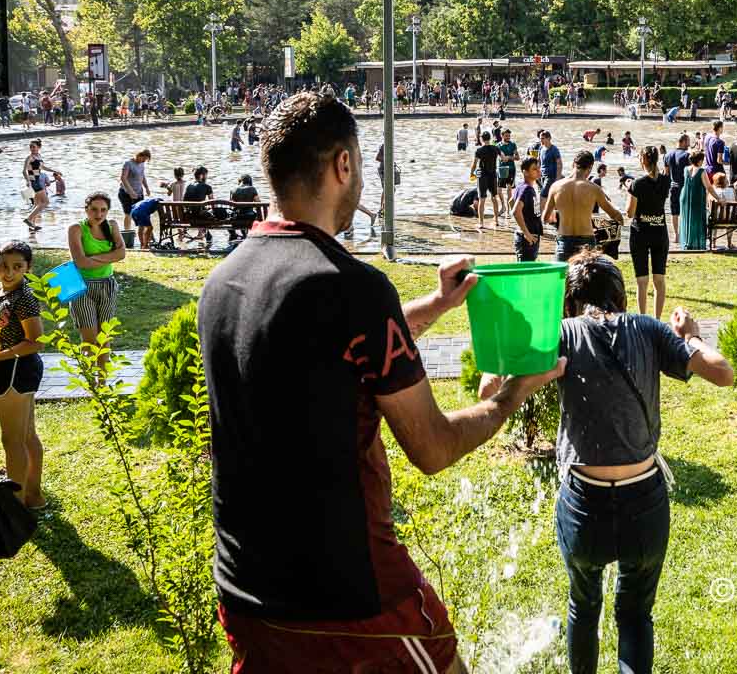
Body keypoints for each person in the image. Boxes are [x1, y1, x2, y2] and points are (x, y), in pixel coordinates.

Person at [198, 92, 563, 673]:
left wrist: (437, 306)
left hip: (247, 593)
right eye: (362, 163)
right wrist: (510, 395)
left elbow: (329, 350)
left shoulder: (224, 282)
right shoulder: (354, 288)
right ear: (343, 165)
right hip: (353, 601)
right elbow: (433, 446)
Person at [476, 250, 732, 674]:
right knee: (634, 616)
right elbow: (723, 372)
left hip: (584, 507)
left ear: (569, 302)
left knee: (583, 606)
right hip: (645, 504)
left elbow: (488, 390)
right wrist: (693, 335)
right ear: (621, 298)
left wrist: (521, 332)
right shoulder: (649, 329)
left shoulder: (559, 333)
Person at [0, 241, 46, 509]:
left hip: (17, 370)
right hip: (5, 368)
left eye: (17, 267)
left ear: (28, 268)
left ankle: (15, 503)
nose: (9, 272)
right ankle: (33, 496)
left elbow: (35, 342)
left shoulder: (24, 297)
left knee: (12, 439)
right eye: (3, 266)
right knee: (26, 434)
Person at [67, 193, 127, 372]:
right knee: (90, 340)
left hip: (107, 285)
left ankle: (102, 383)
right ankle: (89, 384)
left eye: (103, 210)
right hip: (81, 286)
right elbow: (80, 262)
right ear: (86, 209)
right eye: (94, 209)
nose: (98, 214)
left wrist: (92, 258)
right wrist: (109, 258)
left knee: (105, 338)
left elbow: (122, 254)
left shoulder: (113, 225)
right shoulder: (76, 229)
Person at [542, 151, 624, 262]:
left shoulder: (556, 187)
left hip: (564, 239)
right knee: (587, 277)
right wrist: (621, 220)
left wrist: (559, 214)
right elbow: (613, 214)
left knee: (562, 277)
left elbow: (545, 218)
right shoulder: (594, 188)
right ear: (590, 167)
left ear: (573, 164)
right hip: (587, 241)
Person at [626, 147, 671, 319]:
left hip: (640, 234)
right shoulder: (666, 180)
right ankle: (657, 320)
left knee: (642, 281)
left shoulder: (637, 184)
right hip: (660, 232)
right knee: (659, 279)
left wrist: (627, 191)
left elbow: (630, 213)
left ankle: (643, 318)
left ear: (643, 160)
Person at [679, 150, 714, 250]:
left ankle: (687, 243)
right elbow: (709, 187)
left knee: (687, 219)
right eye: (702, 160)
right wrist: (718, 198)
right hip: (697, 197)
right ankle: (697, 244)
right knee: (697, 220)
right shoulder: (702, 171)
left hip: (685, 197)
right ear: (699, 161)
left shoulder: (686, 169)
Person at [512, 158, 543, 262]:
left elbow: (510, 202)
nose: (538, 171)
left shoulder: (521, 186)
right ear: (525, 172)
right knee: (525, 273)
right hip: (527, 240)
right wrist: (526, 233)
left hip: (525, 237)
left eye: (538, 168)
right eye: (534, 169)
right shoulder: (526, 189)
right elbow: (516, 211)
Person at [663, 134, 691, 245]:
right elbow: (691, 173)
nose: (689, 144)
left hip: (673, 187)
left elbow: (666, 173)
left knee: (674, 212)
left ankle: (676, 235)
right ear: (683, 142)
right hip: (684, 187)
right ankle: (685, 234)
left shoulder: (667, 155)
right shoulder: (687, 155)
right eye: (688, 142)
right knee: (685, 211)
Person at [472, 135, 502, 230]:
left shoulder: (479, 150)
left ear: (481, 139)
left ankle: (481, 223)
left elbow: (474, 164)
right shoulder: (496, 148)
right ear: (490, 138)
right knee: (494, 198)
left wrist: (471, 173)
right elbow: (503, 158)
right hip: (493, 175)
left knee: (482, 199)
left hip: (482, 176)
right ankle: (496, 221)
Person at [118, 149, 152, 232]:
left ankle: (144, 234)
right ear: (139, 155)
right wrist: (131, 192)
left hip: (139, 193)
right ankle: (127, 233)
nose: (144, 161)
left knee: (142, 213)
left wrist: (147, 187)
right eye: (143, 159)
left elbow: (142, 176)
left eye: (145, 160)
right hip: (125, 193)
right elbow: (123, 178)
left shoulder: (142, 164)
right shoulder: (128, 163)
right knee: (128, 213)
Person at [229, 174, 261, 241]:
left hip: (236, 218)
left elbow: (231, 206)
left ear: (240, 181)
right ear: (249, 181)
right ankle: (247, 236)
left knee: (240, 212)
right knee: (252, 214)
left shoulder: (233, 189)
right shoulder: (252, 189)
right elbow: (258, 203)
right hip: (249, 217)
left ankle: (242, 235)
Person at [496, 128, 518, 207]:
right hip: (501, 169)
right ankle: (503, 206)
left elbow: (517, 157)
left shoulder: (513, 144)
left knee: (509, 189)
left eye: (509, 136)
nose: (508, 137)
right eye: (506, 136)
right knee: (498, 190)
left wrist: (509, 157)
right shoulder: (498, 145)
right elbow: (498, 157)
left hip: (511, 169)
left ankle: (509, 210)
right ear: (502, 136)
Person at [538, 130, 563, 203]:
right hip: (542, 176)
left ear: (549, 138)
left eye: (542, 138)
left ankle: (542, 213)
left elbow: (559, 164)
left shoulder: (554, 149)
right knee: (549, 196)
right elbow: (539, 162)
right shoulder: (541, 148)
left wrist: (558, 178)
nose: (541, 140)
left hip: (551, 177)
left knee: (542, 195)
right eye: (540, 138)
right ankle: (550, 213)